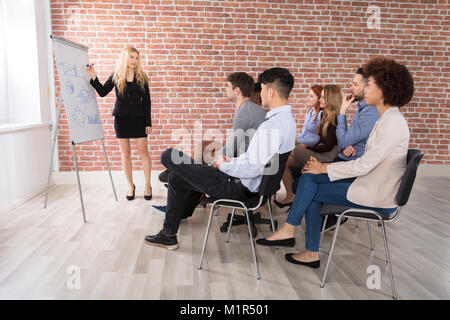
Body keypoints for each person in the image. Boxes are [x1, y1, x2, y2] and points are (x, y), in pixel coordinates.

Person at [256, 56, 414, 269]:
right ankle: (300, 240)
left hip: (375, 194)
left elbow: (365, 165)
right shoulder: (387, 118)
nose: (364, 89)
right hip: (369, 184)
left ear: (384, 89)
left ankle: (296, 236)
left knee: (309, 184)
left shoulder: (391, 124)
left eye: (370, 85)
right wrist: (325, 166)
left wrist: (324, 167)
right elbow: (366, 159)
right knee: (310, 180)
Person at [144, 67, 296, 250]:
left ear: (270, 91)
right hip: (248, 184)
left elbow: (252, 168)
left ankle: (169, 221)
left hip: (238, 187)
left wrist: (222, 166)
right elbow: (253, 160)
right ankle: (168, 235)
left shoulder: (271, 126)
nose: (260, 93)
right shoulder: (287, 122)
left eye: (262, 89)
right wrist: (230, 162)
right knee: (177, 177)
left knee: (168, 155)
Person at [152, 72, 267, 217]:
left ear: (237, 90)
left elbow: (230, 150)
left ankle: (177, 190)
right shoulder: (253, 109)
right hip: (245, 169)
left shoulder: (245, 111)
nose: (225, 90)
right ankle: (180, 209)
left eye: (227, 87)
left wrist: (211, 164)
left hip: (240, 175)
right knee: (195, 168)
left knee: (172, 158)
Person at [86, 47, 153, 201]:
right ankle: (131, 186)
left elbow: (147, 102)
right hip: (121, 119)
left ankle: (148, 185)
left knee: (144, 153)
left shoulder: (142, 77)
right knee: (125, 154)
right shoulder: (116, 76)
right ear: (125, 58)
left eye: (137, 58)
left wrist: (148, 122)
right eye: (131, 57)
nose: (134, 60)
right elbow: (103, 92)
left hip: (139, 119)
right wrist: (94, 77)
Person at [274, 85, 342, 208]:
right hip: (320, 151)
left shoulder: (335, 119)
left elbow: (327, 147)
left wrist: (307, 148)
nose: (320, 100)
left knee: (289, 148)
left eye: (323, 98)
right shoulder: (324, 116)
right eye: (320, 97)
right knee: (286, 162)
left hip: (327, 156)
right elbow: (320, 142)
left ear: (331, 99)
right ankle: (291, 197)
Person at [336, 68, 380, 161]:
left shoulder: (371, 112)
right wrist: (344, 147)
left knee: (309, 175)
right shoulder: (361, 109)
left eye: (355, 85)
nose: (350, 88)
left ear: (367, 87)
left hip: (352, 164)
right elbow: (345, 141)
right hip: (345, 159)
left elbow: (343, 141)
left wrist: (342, 110)